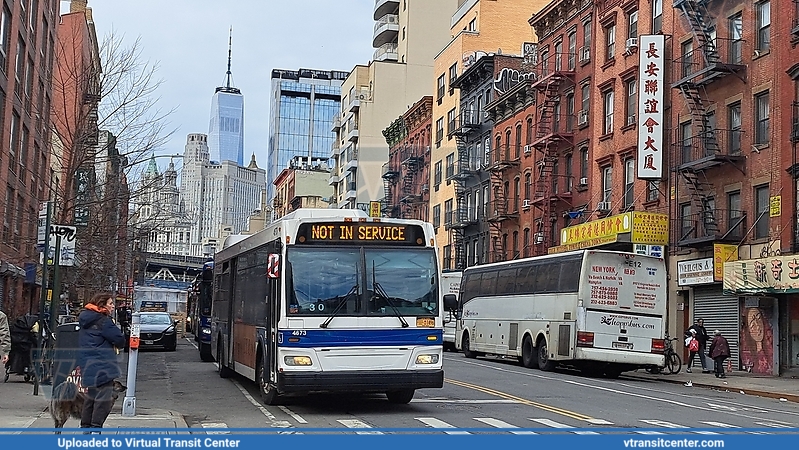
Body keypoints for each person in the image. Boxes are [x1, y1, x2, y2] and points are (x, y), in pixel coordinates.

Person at [78, 293, 126, 433]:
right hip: (102, 364)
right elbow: (119, 339)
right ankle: (95, 430)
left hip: (87, 363)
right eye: (110, 303)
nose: (112, 306)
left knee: (90, 398)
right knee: (103, 400)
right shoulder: (103, 321)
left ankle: (85, 428)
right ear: (102, 304)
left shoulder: (85, 319)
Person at [740, 307, 774, 374]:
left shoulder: (773, 345)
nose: (758, 327)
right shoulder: (746, 353)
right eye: (752, 325)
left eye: (759, 318)